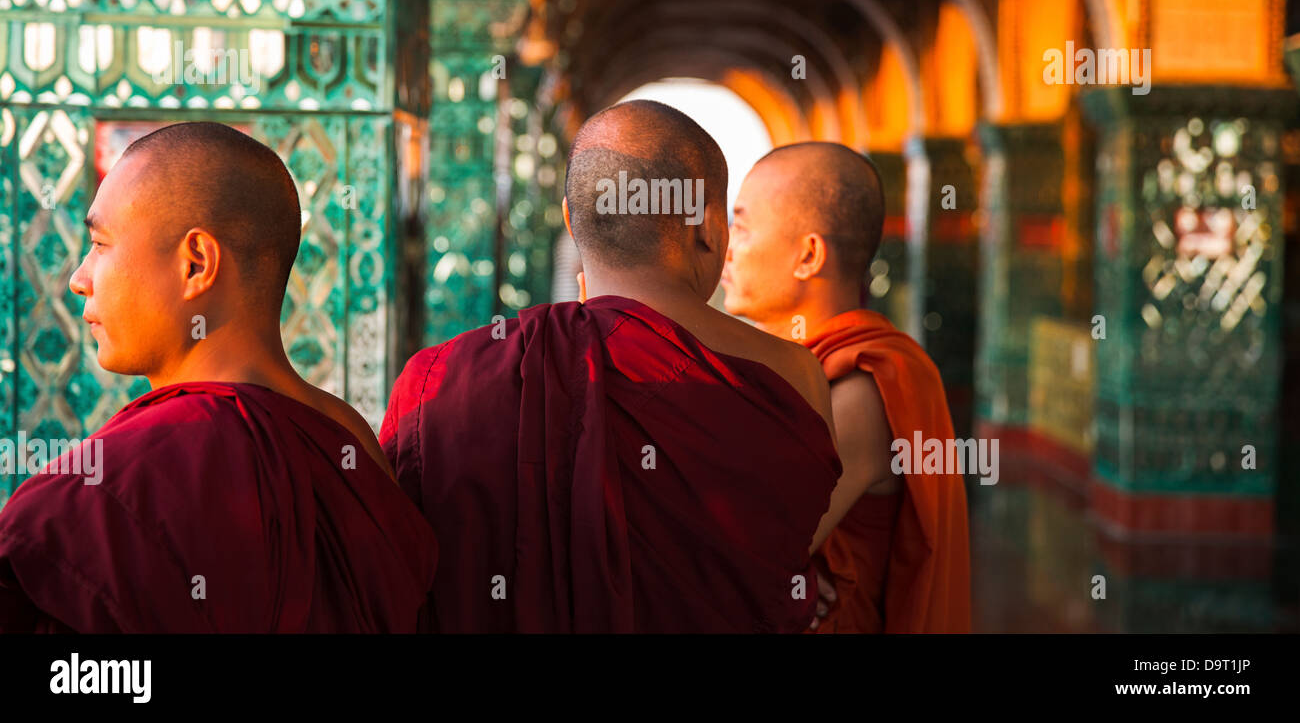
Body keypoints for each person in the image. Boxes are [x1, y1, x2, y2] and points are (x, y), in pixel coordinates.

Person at [382, 100, 840, 632]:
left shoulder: (440, 378)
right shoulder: (795, 377)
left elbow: (405, 569)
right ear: (711, 228)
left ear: (572, 220)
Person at [0, 122, 436, 632]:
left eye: (99, 244)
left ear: (196, 264)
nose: (79, 278)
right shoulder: (351, 441)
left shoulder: (135, 466)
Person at [722, 141, 970, 632]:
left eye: (743, 228)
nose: (726, 246)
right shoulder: (788, 364)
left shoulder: (861, 388)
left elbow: (740, 555)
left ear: (808, 255)